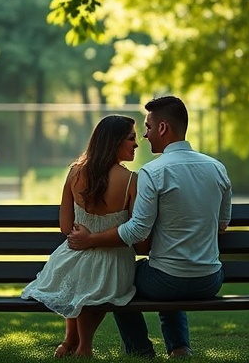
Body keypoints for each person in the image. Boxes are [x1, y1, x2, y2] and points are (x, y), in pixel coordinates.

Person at [68, 96, 232, 358]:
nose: (144, 135)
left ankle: (140, 350)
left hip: (166, 279)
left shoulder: (153, 172)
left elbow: (136, 232)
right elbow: (223, 223)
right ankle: (179, 348)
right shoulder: (217, 168)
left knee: (121, 280)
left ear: (163, 128)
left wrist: (91, 239)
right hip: (210, 280)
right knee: (167, 269)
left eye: (148, 127)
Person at [21, 114, 140, 358]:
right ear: (114, 141)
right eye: (131, 138)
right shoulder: (130, 181)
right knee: (93, 280)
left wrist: (85, 235)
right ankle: (83, 347)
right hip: (114, 259)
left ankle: (70, 342)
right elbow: (134, 231)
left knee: (81, 277)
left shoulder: (75, 173)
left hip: (72, 255)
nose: (136, 144)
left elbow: (66, 227)